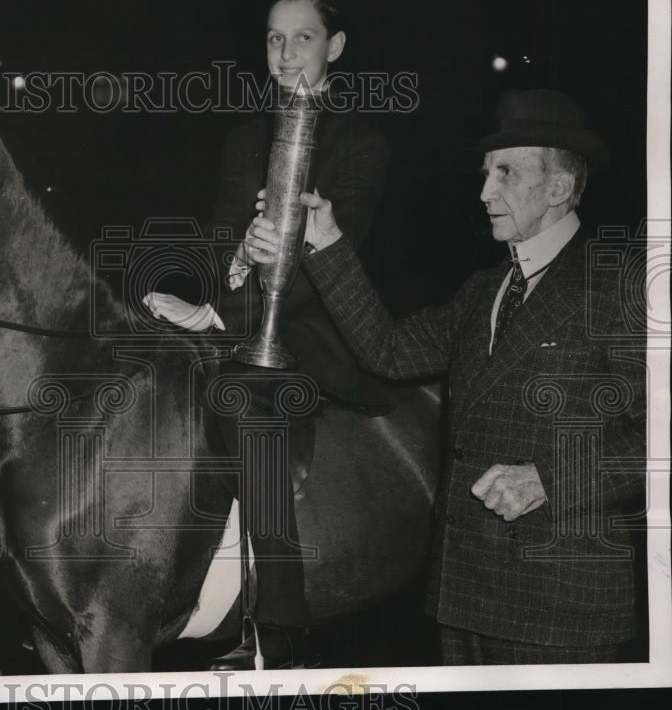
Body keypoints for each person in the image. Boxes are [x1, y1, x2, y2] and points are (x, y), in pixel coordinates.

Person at [245, 88, 646, 665]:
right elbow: (388, 351)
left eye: (506, 173)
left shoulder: (619, 286)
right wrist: (325, 242)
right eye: (486, 173)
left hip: (560, 608)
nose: (485, 193)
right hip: (464, 596)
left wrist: (549, 481)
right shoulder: (485, 289)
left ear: (558, 188)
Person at [145, 0, 391, 670]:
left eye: (302, 38)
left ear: (335, 48)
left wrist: (283, 249)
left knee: (245, 404)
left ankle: (277, 625)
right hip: (242, 315)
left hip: (319, 324)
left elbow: (343, 259)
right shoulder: (244, 138)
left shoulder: (362, 143)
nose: (284, 55)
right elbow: (224, 233)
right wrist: (226, 275)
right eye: (274, 40)